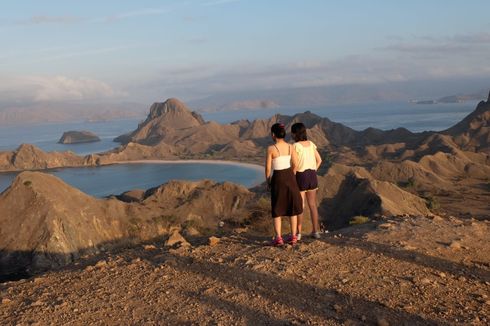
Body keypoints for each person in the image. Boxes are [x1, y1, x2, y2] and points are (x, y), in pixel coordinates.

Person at [265, 123, 303, 246]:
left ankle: (279, 238)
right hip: (290, 177)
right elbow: (296, 164)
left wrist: (268, 181)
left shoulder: (271, 149)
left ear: (273, 134)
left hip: (278, 178)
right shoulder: (291, 147)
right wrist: (291, 175)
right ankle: (293, 236)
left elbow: (268, 168)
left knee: (277, 208)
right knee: (292, 208)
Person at [291, 122, 323, 240]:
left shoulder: (295, 146)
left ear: (295, 133)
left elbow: (294, 165)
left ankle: (298, 233)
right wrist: (314, 170)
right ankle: (315, 231)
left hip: (301, 176)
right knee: (313, 205)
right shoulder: (311, 144)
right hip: (312, 175)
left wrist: (291, 178)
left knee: (301, 206)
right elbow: (319, 160)